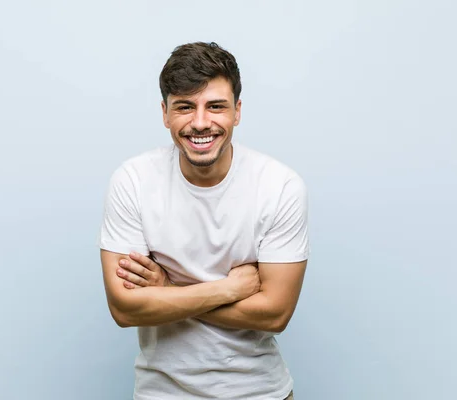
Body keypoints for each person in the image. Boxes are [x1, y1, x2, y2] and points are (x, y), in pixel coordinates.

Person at [98, 41, 309, 400]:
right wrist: (228, 289)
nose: (200, 122)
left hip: (261, 393)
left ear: (237, 111)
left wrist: (167, 291)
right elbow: (124, 308)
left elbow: (275, 314)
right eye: (184, 107)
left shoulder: (279, 186)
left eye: (215, 106)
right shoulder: (133, 180)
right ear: (165, 113)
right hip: (161, 393)